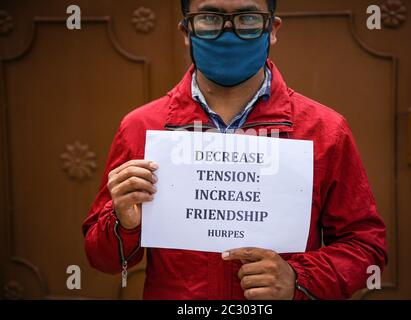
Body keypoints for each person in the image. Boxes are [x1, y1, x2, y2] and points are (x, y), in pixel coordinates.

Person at [82, 0, 387, 300]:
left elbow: (365, 247)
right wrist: (124, 224)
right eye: (210, 17)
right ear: (186, 30)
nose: (229, 31)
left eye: (248, 18)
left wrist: (297, 278)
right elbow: (104, 260)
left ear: (273, 28)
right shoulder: (141, 127)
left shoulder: (325, 130)